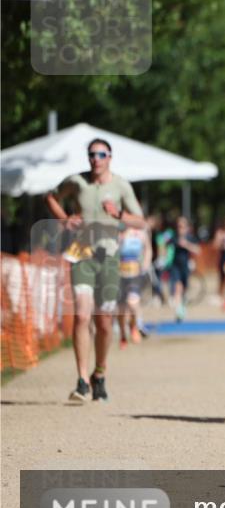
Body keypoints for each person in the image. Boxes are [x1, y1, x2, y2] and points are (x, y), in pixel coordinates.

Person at [45, 138, 145, 402]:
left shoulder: (121, 185)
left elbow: (141, 220)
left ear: (110, 157)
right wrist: (65, 219)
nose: (95, 159)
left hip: (109, 257)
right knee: (81, 315)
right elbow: (51, 197)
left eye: (101, 154)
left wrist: (119, 215)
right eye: (91, 154)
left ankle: (99, 373)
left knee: (103, 322)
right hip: (82, 255)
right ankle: (81, 381)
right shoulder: (77, 182)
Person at [116, 222, 152, 347]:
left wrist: (146, 264)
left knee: (133, 302)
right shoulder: (116, 233)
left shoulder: (140, 233)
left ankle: (135, 326)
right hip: (118, 274)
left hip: (135, 274)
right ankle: (122, 334)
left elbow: (148, 248)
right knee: (121, 309)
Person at [169, 216, 201, 322]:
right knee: (178, 287)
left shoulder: (190, 238)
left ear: (187, 228)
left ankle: (182, 306)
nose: (180, 229)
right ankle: (178, 311)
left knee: (185, 289)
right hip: (175, 266)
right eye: (178, 227)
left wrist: (186, 244)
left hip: (185, 266)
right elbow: (167, 248)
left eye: (182, 226)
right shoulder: (174, 237)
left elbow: (198, 250)